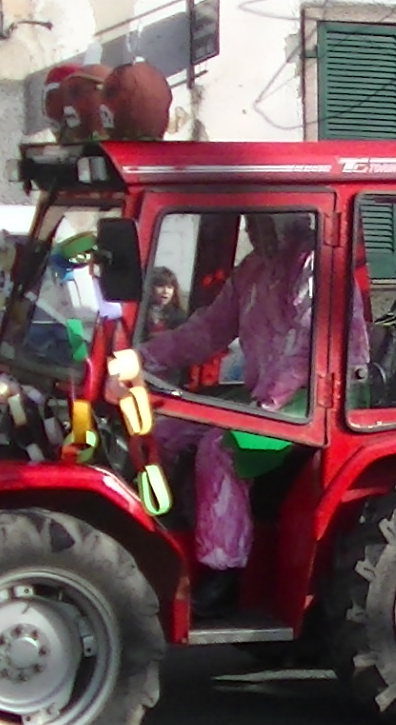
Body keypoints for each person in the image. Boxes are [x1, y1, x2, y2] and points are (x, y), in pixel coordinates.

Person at [131, 213, 364, 618]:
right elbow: (208, 331)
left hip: (314, 401)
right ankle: (166, 542)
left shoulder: (315, 265)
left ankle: (222, 574)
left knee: (221, 448)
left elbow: (313, 347)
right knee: (162, 432)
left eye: (260, 221)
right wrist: (143, 359)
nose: (251, 231)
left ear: (285, 222)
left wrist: (267, 405)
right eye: (249, 222)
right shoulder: (252, 269)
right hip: (261, 395)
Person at [140, 266, 187, 336]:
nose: (166, 291)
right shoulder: (140, 312)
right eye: (161, 286)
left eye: (170, 287)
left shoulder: (179, 317)